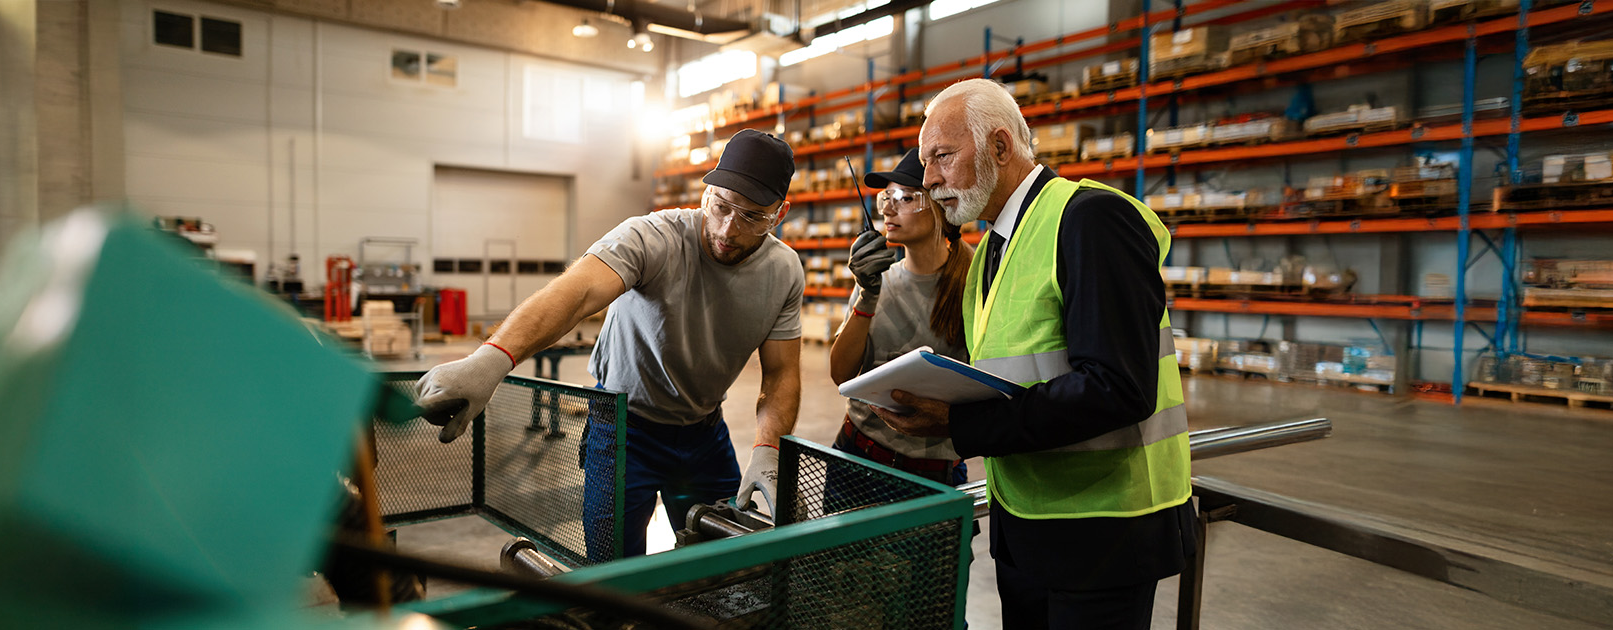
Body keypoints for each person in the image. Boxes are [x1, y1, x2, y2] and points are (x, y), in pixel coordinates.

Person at [871, 79, 1197, 630]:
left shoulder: (1089, 219)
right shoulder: (994, 247)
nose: (927, 179)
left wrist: (962, 422)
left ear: (1000, 147)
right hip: (1028, 524)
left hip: (1103, 532)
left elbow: (1120, 386)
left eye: (942, 157)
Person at [412, 129, 804, 560]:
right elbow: (578, 291)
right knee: (611, 568)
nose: (728, 228)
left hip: (703, 434)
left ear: (780, 214)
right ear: (705, 191)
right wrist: (493, 358)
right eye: (722, 205)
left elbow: (782, 371)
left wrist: (768, 447)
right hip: (623, 428)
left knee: (726, 564)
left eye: (751, 217)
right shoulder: (654, 237)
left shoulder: (783, 272)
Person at [828, 147, 974, 486]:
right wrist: (866, 296)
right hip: (859, 462)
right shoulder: (878, 281)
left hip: (936, 476)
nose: (889, 208)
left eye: (906, 198)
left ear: (940, 205)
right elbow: (840, 374)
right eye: (886, 197)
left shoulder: (973, 283)